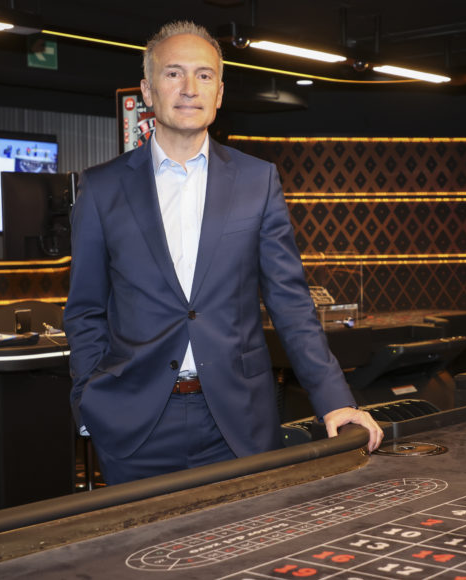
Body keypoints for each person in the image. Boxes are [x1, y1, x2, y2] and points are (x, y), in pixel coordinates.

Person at [64, 21, 384, 485]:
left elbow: (291, 302)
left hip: (239, 422)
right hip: (134, 426)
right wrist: (89, 400)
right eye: (173, 73)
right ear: (148, 91)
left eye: (204, 75)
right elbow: (85, 310)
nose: (189, 88)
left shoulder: (258, 180)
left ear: (219, 94)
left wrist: (335, 400)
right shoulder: (101, 188)